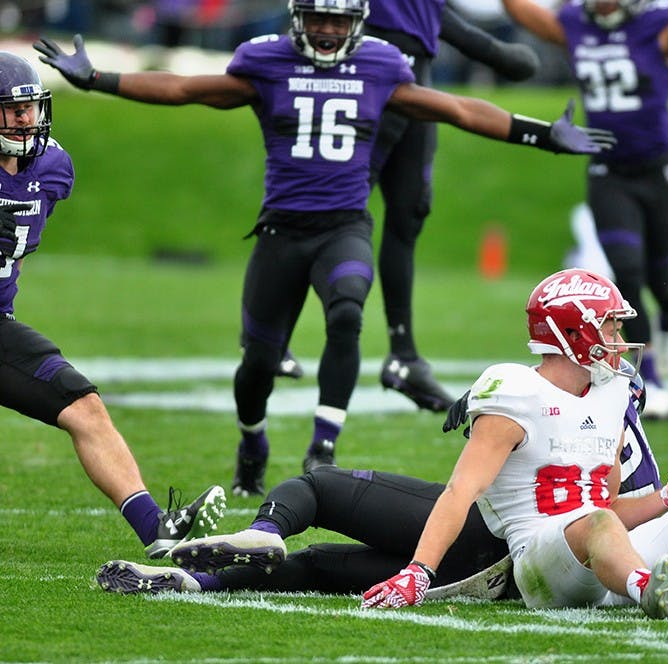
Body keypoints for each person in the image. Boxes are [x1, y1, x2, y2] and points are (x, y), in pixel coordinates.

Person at [33, 0, 613, 498]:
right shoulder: (266, 60)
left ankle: (322, 446)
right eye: (318, 18)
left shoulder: (382, 64)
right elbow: (187, 89)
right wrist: (99, 79)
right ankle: (252, 437)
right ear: (297, 18)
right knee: (257, 362)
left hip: (344, 227)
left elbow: (457, 109)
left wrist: (539, 134)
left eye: (338, 19)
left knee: (347, 308)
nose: (329, 31)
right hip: (281, 232)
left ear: (358, 22)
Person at [358, 268, 668, 619]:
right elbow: (459, 492)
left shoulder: (614, 391)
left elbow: (608, 506)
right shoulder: (515, 392)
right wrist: (418, 572)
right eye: (611, 326)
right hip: (541, 567)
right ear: (572, 332)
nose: (620, 337)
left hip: (607, 559)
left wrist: (666, 502)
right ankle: (646, 590)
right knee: (597, 523)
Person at [93, 360, 661, 597]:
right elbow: (606, 502)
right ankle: (195, 585)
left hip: (479, 539)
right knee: (316, 567)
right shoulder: (614, 398)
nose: (617, 335)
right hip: (515, 573)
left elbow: (465, 491)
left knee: (318, 486)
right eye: (610, 322)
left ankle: (267, 529)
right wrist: (665, 502)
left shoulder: (538, 391)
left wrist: (419, 571)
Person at [0, 51, 226, 559]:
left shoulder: (52, 168)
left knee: (85, 407)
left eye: (29, 108)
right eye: (11, 110)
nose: (24, 118)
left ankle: (157, 529)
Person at [498, 0, 668, 420]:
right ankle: (654, 381)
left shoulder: (661, 25)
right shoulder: (575, 23)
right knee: (627, 271)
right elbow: (523, 13)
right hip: (608, 170)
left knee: (662, 281)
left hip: (658, 170)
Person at [359, 0, 540, 413]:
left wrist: (499, 55)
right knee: (335, 213)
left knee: (409, 214)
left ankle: (403, 354)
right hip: (362, 89)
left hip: (416, 90)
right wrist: (503, 56)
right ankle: (273, 337)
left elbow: (441, 22)